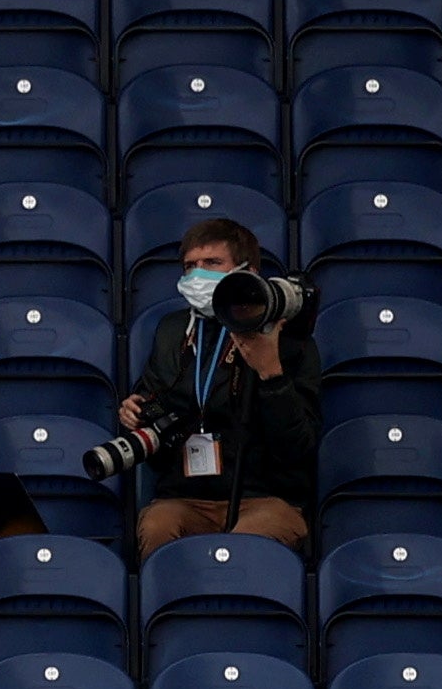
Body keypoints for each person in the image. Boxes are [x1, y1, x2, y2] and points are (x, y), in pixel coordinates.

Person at [120, 216, 323, 555]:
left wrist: (271, 373)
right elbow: (154, 403)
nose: (198, 275)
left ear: (247, 271)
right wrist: (138, 414)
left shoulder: (288, 337)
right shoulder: (172, 332)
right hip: (186, 496)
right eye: (190, 267)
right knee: (157, 526)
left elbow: (297, 448)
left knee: (242, 550)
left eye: (212, 263)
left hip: (266, 499)